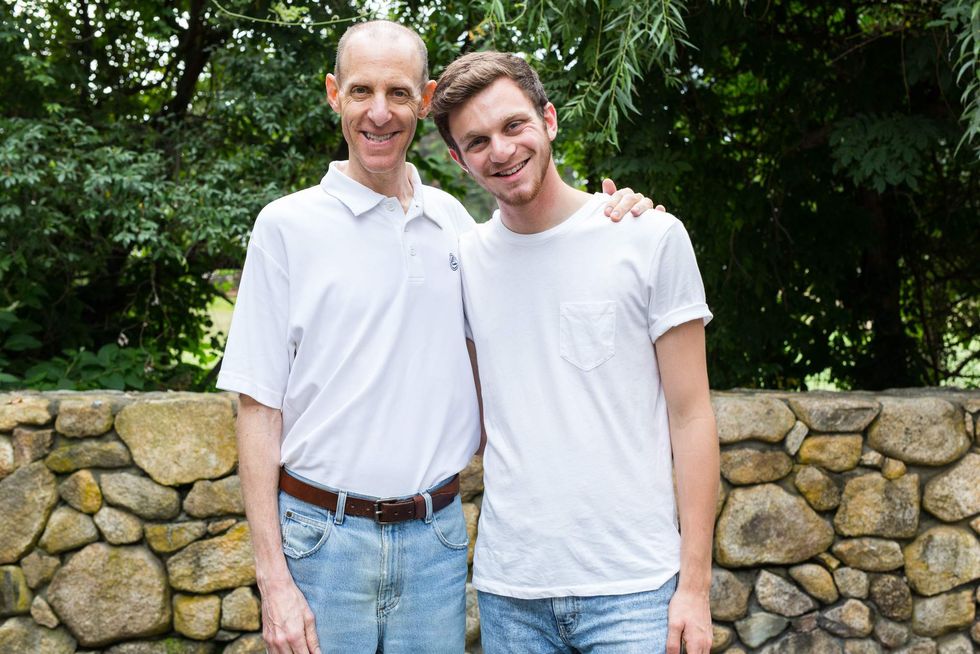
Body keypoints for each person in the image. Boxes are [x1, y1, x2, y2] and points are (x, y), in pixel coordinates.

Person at [217, 21, 653, 654]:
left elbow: (547, 262)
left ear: (424, 102)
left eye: (398, 93)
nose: (378, 112)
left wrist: (625, 214)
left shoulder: (455, 223)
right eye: (361, 90)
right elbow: (257, 405)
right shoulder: (286, 227)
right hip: (323, 540)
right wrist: (272, 578)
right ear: (333, 94)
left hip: (436, 540)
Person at [431, 51, 719, 654]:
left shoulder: (646, 237)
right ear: (458, 160)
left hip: (635, 591)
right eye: (477, 141)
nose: (502, 151)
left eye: (515, 125)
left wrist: (694, 585)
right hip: (511, 592)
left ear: (550, 119)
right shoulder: (463, 263)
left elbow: (692, 417)